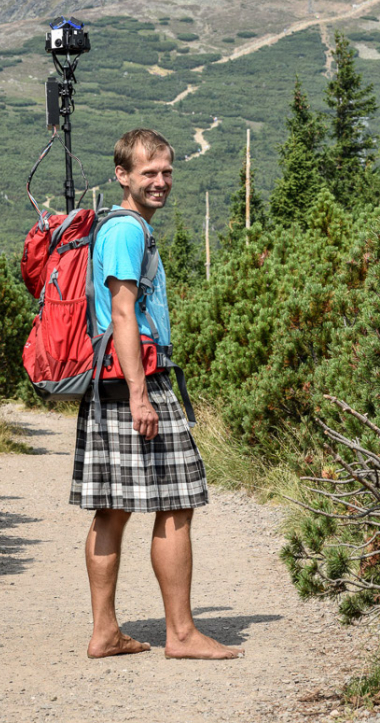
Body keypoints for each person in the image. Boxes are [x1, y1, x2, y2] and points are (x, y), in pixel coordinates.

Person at [70, 128, 243, 661]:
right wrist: (142, 396)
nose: (160, 181)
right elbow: (123, 312)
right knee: (177, 503)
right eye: (149, 173)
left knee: (112, 509)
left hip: (110, 382)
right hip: (133, 382)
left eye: (166, 171)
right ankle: (182, 634)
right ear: (122, 175)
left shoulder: (118, 226)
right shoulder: (125, 230)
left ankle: (105, 632)